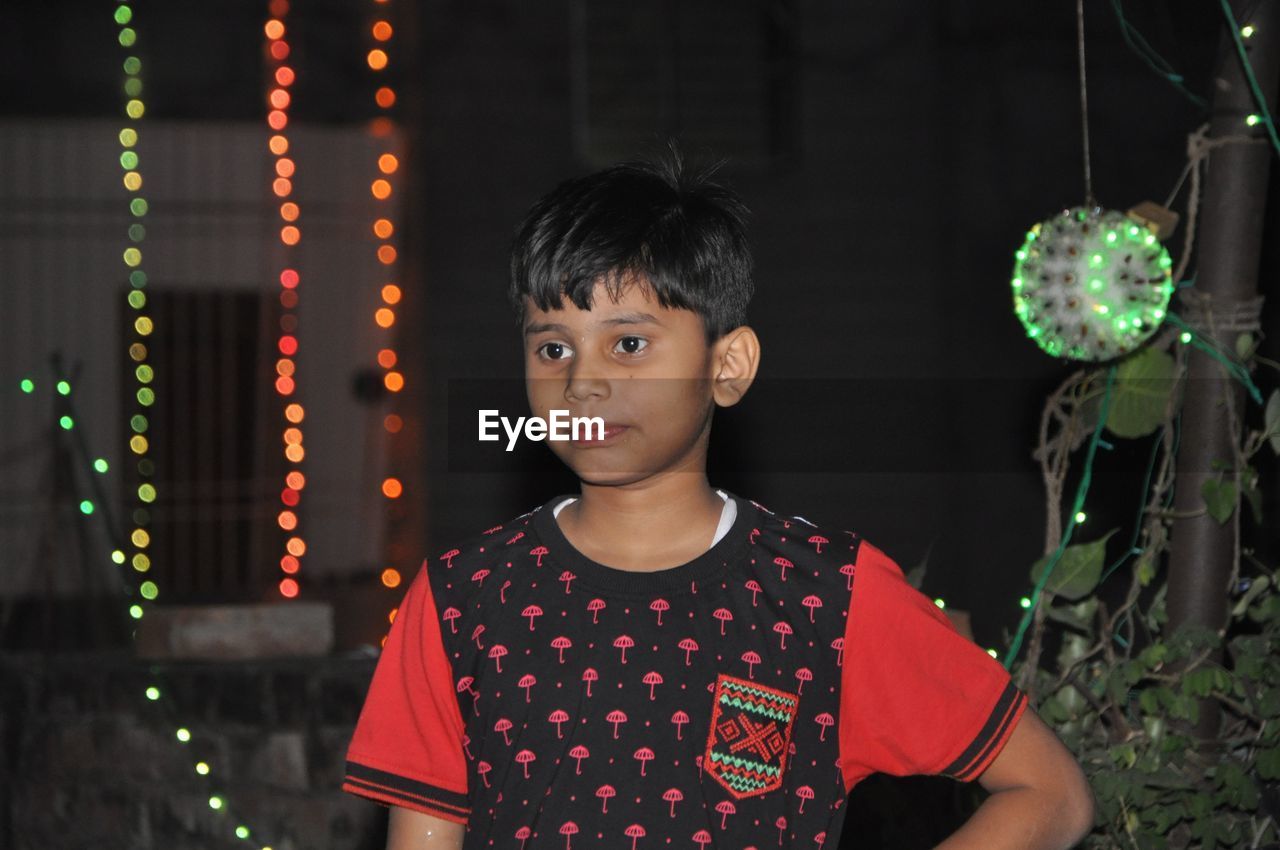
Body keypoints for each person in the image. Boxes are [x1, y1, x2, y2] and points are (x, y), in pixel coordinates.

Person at [341, 148, 1096, 850]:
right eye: (552, 347)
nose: (583, 380)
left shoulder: (828, 596)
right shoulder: (460, 600)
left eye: (628, 343)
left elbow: (1051, 793)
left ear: (727, 365)